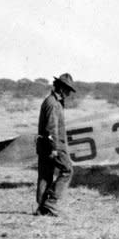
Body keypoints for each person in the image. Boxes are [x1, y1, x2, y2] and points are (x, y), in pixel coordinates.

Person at [35, 73, 76, 216]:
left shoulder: (50, 101)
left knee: (45, 176)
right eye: (68, 89)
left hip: (44, 145)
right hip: (53, 146)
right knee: (67, 170)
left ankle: (42, 208)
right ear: (61, 88)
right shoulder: (53, 104)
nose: (69, 93)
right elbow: (51, 128)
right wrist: (54, 149)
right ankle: (50, 203)